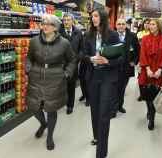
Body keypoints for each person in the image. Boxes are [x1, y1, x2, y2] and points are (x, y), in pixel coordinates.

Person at [26, 14, 76, 150]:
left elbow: (72, 59)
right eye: (43, 23)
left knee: (51, 109)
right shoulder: (34, 41)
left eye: (49, 24)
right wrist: (28, 69)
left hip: (55, 78)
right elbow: (29, 57)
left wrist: (66, 74)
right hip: (36, 77)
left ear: (55, 27)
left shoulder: (64, 43)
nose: (45, 26)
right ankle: (43, 124)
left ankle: (50, 136)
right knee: (33, 106)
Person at [83, 8, 123, 158]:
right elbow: (82, 54)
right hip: (93, 76)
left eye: (96, 16)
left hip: (107, 77)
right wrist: (91, 59)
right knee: (94, 111)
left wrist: (108, 61)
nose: (93, 19)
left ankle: (101, 152)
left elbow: (121, 58)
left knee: (104, 113)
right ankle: (97, 136)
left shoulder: (112, 35)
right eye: (92, 16)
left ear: (103, 17)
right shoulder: (88, 35)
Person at [138, 19, 162, 131]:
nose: (150, 26)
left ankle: (152, 118)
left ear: (159, 26)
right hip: (147, 70)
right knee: (147, 94)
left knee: (155, 95)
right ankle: (149, 111)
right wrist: (147, 69)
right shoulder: (145, 38)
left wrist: (160, 70)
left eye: (153, 24)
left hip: (158, 71)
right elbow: (142, 54)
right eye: (150, 24)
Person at [111, 17, 140, 117]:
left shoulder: (132, 36)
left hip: (127, 67)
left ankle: (120, 106)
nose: (121, 26)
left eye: (123, 24)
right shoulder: (111, 35)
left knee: (122, 88)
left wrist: (134, 61)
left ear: (126, 25)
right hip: (113, 67)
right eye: (119, 24)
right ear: (115, 25)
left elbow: (138, 50)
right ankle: (113, 109)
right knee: (114, 89)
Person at [60, 13, 84, 114]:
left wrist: (77, 59)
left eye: (68, 20)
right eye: (64, 20)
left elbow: (82, 49)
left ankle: (70, 105)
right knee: (60, 86)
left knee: (71, 86)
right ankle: (60, 103)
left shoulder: (78, 32)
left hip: (73, 65)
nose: (66, 22)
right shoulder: (59, 32)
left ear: (72, 21)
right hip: (61, 65)